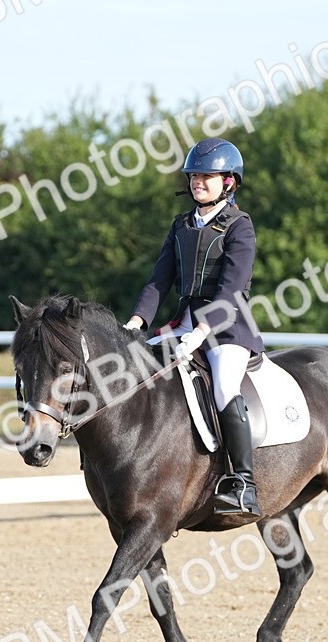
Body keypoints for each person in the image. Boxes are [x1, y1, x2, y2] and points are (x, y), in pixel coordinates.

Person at [124, 136, 263, 520]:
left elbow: (232, 290)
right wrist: (136, 322)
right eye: (194, 176)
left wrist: (200, 333)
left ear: (228, 182)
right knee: (135, 368)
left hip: (227, 327)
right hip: (182, 322)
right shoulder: (181, 225)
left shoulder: (239, 226)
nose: (197, 182)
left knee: (223, 387)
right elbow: (159, 279)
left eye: (207, 176)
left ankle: (244, 484)